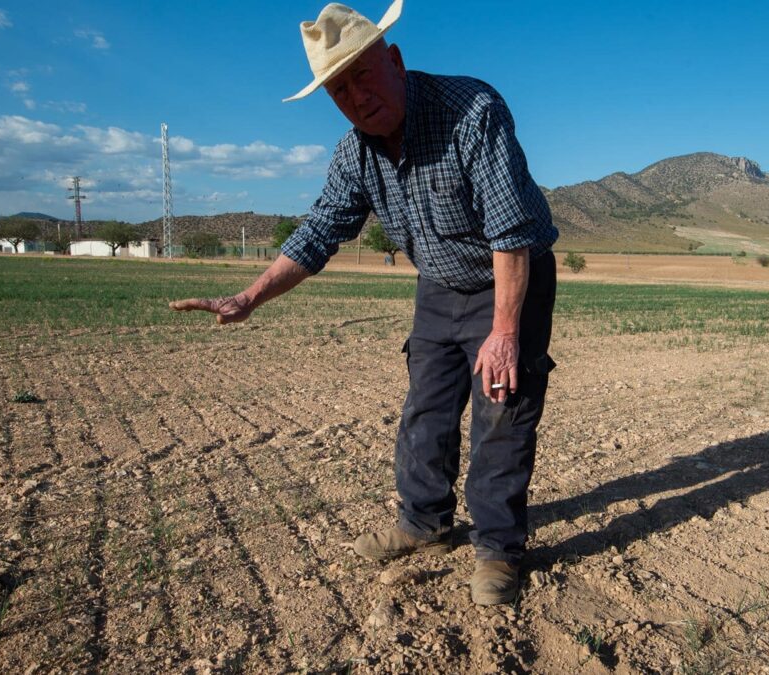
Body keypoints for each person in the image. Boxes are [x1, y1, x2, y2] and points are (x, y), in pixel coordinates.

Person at [169, 0, 558, 606]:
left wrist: (505, 330)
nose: (355, 96)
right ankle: (424, 522)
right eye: (338, 88)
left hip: (510, 276)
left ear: (395, 59)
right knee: (425, 412)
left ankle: (498, 548)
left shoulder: (470, 110)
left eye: (362, 75)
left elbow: (512, 233)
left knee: (500, 410)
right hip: (437, 283)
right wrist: (249, 296)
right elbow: (320, 231)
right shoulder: (355, 154)